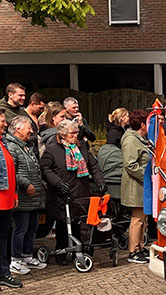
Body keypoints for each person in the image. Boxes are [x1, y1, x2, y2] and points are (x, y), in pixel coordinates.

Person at [40, 119, 106, 256]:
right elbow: (45, 169)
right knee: (63, 223)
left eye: (77, 133)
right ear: (63, 134)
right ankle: (62, 252)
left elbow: (93, 166)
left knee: (81, 222)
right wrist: (57, 182)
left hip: (81, 190)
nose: (76, 136)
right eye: (72, 133)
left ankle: (81, 248)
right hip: (62, 193)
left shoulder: (81, 148)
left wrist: (100, 181)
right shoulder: (52, 149)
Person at [5, 116, 46, 274]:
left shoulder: (25, 146)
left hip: (33, 198)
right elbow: (12, 171)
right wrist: (25, 183)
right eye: (28, 127)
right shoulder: (12, 147)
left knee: (32, 228)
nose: (31, 131)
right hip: (22, 197)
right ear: (17, 129)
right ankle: (16, 259)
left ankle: (27, 255)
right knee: (20, 228)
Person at [121, 110, 151, 264]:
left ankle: (140, 246)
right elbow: (130, 164)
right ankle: (133, 251)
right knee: (137, 218)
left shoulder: (140, 139)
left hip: (142, 185)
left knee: (143, 218)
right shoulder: (131, 140)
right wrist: (146, 177)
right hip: (136, 185)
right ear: (142, 125)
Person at [0, 109, 22, 288]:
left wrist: (14, 194)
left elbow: (10, 171)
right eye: (1, 121)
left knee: (3, 237)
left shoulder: (4, 142)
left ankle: (3, 272)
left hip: (6, 199)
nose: (5, 124)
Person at [24, 92, 46, 158]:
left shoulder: (39, 116)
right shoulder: (23, 116)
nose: (42, 110)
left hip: (39, 151)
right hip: (29, 151)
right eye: (40, 108)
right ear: (33, 104)